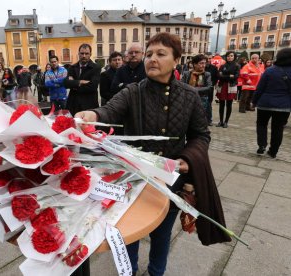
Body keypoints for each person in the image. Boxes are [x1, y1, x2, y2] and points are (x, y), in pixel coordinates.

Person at [75, 32, 230, 276]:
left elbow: (201, 135)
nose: (152, 59)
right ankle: (130, 271)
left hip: (170, 181)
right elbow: (109, 110)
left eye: (160, 54)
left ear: (176, 60)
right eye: (149, 54)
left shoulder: (189, 96)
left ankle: (157, 272)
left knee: (162, 233)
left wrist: (188, 159)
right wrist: (92, 116)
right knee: (129, 232)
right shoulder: (133, 91)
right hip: (134, 179)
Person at [253, 48, 291, 158]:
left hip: (265, 104)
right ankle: (273, 151)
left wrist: (254, 101)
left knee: (261, 124)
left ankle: (261, 146)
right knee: (278, 128)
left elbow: (260, 88)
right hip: (284, 105)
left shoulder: (269, 70)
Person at [64, 43, 101, 116]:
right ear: (78, 54)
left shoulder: (96, 68)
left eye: (86, 53)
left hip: (89, 104)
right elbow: (66, 83)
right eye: (82, 53)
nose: (84, 56)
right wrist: (80, 82)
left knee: (88, 126)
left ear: (90, 54)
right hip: (73, 104)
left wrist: (74, 84)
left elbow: (93, 86)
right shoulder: (72, 67)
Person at [181, 54, 212, 125]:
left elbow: (209, 87)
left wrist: (193, 89)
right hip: (187, 98)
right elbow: (182, 85)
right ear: (194, 64)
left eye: (204, 63)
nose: (203, 65)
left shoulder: (207, 74)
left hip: (202, 99)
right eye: (201, 63)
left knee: (199, 119)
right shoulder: (187, 74)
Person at [215, 51, 240, 128]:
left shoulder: (237, 66)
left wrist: (225, 75)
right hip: (222, 85)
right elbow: (219, 75)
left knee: (229, 104)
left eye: (231, 56)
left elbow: (236, 76)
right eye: (228, 56)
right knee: (221, 104)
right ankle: (221, 121)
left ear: (234, 57)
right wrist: (229, 76)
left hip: (231, 86)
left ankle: (226, 122)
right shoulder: (222, 66)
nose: (230, 57)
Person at [205, 55, 219, 125]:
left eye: (209, 58)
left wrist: (212, 84)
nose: (208, 60)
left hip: (210, 89)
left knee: (208, 104)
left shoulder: (214, 68)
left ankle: (209, 120)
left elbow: (216, 78)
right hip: (201, 88)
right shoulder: (201, 66)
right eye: (206, 58)